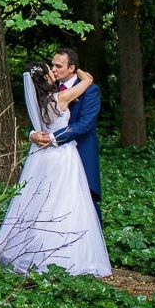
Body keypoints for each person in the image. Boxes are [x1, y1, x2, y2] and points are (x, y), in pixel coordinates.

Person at [0, 61, 111, 277]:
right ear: (45, 78)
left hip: (42, 157)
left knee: (41, 202)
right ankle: (66, 255)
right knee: (65, 201)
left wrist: (37, 135)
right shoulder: (61, 98)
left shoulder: (37, 99)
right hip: (61, 157)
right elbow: (89, 81)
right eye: (50, 69)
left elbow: (47, 124)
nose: (54, 70)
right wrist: (81, 71)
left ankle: (35, 248)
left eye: (57, 66)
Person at [30, 48, 103, 224]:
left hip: (82, 151)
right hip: (53, 157)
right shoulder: (48, 86)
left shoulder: (90, 90)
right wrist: (33, 135)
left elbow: (86, 123)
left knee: (87, 199)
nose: (54, 69)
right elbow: (35, 120)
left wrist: (54, 138)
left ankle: (94, 246)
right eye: (52, 65)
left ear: (72, 68)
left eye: (58, 66)